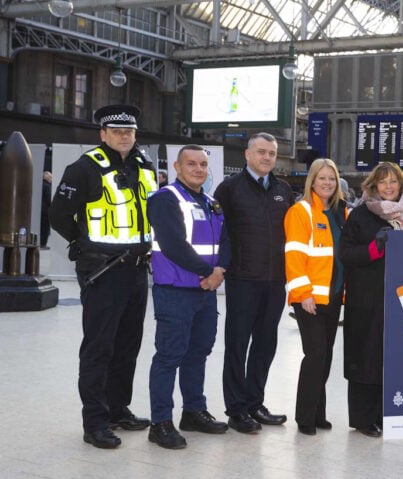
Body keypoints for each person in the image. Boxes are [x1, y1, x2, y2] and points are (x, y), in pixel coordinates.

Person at [49, 104, 157, 449]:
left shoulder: (145, 167)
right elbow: (59, 216)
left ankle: (117, 409)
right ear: (103, 134)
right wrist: (86, 249)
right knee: (98, 348)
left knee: (128, 346)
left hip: (138, 271)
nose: (124, 137)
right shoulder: (84, 168)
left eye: (129, 132)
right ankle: (94, 421)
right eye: (117, 131)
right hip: (103, 272)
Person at [146, 145, 230, 449]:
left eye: (203, 164)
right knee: (169, 356)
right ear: (178, 167)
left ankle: (193, 411)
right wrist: (208, 272)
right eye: (191, 164)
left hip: (205, 293)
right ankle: (161, 422)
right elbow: (172, 244)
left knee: (198, 353)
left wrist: (220, 269)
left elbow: (226, 240)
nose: (198, 169)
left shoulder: (211, 202)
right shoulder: (164, 199)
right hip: (176, 292)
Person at [214, 132, 295, 434]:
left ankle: (254, 402)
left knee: (265, 344)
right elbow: (219, 232)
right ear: (247, 154)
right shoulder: (229, 189)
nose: (267, 158)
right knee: (237, 344)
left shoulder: (283, 189)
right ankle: (236, 409)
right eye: (261, 152)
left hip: (275, 281)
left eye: (271, 154)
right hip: (243, 279)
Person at [340, 162, 403, 438]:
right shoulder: (360, 215)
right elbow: (346, 255)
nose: (389, 187)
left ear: (401, 185)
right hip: (367, 299)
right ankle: (363, 419)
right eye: (383, 182)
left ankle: (384, 414)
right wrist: (375, 248)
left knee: (390, 358)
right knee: (365, 356)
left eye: (394, 182)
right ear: (373, 185)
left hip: (401, 298)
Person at [284, 159, 348, 436]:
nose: (327, 183)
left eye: (331, 179)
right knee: (315, 355)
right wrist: (302, 293)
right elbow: (294, 256)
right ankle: (304, 417)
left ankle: (318, 413)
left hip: (333, 298)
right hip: (309, 298)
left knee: (326, 357)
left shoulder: (339, 212)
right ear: (312, 180)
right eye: (321, 178)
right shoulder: (301, 211)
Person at [40, 171, 52, 248]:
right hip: (45, 212)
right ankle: (43, 244)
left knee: (40, 227)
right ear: (46, 177)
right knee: (45, 228)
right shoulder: (47, 186)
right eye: (50, 177)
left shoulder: (40, 185)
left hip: (40, 210)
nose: (51, 179)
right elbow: (49, 199)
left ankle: (40, 242)